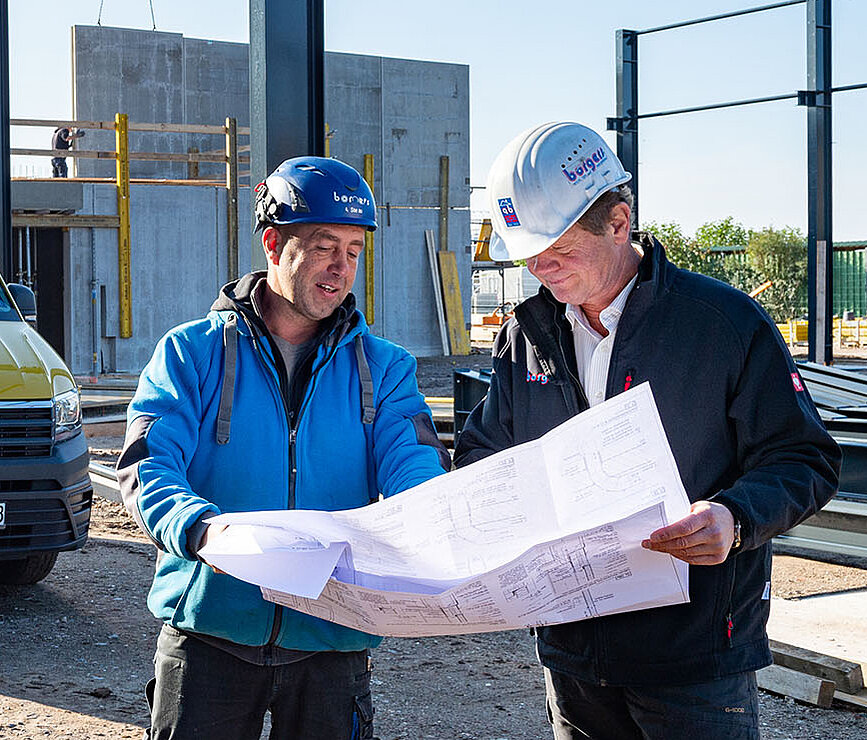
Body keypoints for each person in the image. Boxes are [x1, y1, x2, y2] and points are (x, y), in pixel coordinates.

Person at [454, 121, 841, 740]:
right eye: (528, 253)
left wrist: (735, 518)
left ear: (618, 222)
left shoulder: (722, 325)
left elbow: (804, 459)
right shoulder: (527, 336)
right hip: (572, 652)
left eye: (558, 249)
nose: (539, 268)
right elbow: (484, 450)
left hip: (694, 659)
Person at [117, 156, 450, 740]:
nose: (341, 268)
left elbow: (412, 460)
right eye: (324, 247)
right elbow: (149, 463)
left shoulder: (386, 368)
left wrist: (426, 517)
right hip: (210, 632)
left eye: (354, 251)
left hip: (332, 636)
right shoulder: (190, 353)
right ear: (273, 244)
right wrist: (201, 529)